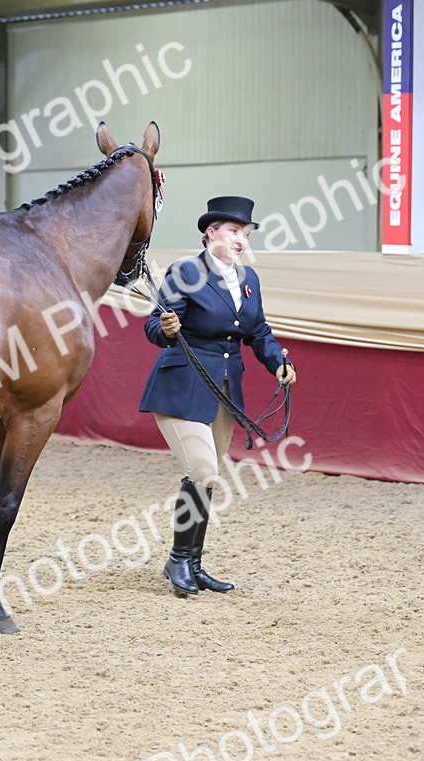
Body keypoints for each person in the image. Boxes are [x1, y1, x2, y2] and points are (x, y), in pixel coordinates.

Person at [138, 195, 297, 597]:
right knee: (203, 471)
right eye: (233, 231)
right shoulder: (186, 271)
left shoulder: (249, 280)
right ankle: (178, 561)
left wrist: (277, 360)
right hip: (183, 385)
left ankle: (192, 563)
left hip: (225, 390)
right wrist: (169, 329)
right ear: (211, 233)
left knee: (206, 479)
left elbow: (258, 331)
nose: (241, 239)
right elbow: (155, 327)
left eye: (245, 233)